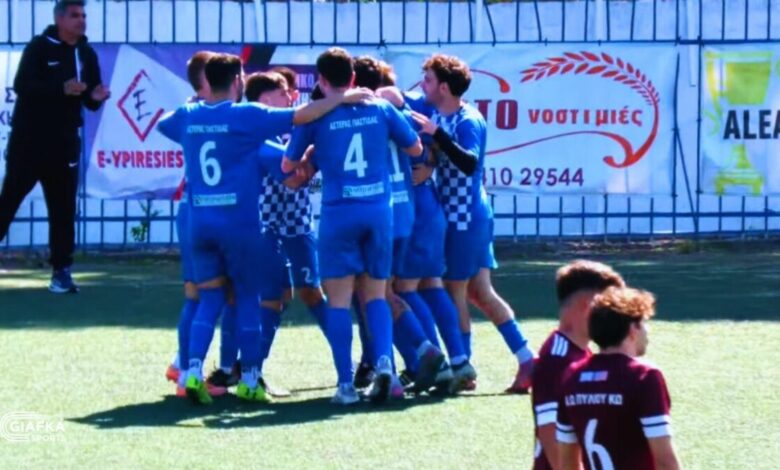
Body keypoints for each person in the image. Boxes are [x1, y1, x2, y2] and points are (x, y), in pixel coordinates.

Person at [157, 52, 370, 405]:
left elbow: (165, 123)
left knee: (207, 297)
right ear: (238, 81)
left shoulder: (189, 115)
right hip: (239, 224)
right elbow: (301, 118)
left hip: (199, 222)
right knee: (248, 298)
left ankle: (191, 371)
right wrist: (341, 99)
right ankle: (250, 379)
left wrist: (198, 105)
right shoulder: (247, 118)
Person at [283, 47, 423, 405]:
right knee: (376, 294)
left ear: (321, 80)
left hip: (338, 214)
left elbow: (288, 166)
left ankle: (345, 385)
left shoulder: (317, 115)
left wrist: (317, 153)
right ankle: (385, 364)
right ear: (354, 78)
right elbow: (416, 148)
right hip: (377, 212)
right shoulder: (380, 108)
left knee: (340, 301)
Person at [410, 54, 534, 392]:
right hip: (460, 215)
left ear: (444, 88)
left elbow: (468, 162)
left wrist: (438, 136)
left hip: (465, 217)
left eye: (429, 80)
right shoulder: (438, 113)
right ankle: (527, 359)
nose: (423, 86)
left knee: (455, 291)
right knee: (480, 291)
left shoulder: (467, 120)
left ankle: (462, 365)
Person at [0, 0, 110, 293]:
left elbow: (89, 99)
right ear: (59, 19)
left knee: (63, 210)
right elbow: (22, 86)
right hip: (29, 142)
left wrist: (96, 97)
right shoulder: (39, 47)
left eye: (83, 15)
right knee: (8, 201)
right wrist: (60, 89)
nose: (81, 20)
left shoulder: (86, 53)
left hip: (65, 144)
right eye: (75, 15)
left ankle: (61, 272)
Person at [556, 287, 681, 470]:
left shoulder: (572, 377)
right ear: (632, 329)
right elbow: (665, 460)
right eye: (644, 323)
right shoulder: (643, 375)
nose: (648, 330)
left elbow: (568, 464)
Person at [531, 261, 625, 470]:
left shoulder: (580, 353)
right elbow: (549, 431)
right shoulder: (557, 358)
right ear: (587, 305)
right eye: (609, 308)